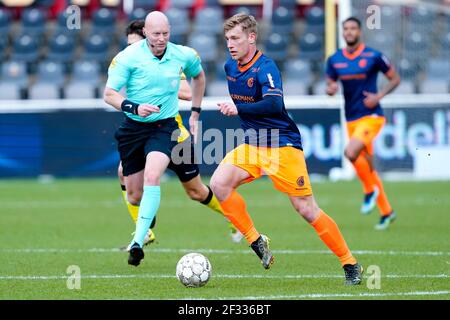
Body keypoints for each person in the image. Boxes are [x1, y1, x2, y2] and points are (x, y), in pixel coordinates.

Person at [210, 13, 363, 285]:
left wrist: (238, 108)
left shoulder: (266, 67)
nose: (230, 44)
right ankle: (256, 241)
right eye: (227, 39)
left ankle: (350, 263)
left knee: (306, 209)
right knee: (219, 184)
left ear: (251, 38)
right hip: (253, 144)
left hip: (282, 144)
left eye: (235, 38)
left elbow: (273, 105)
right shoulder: (230, 68)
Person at [116, 20, 243, 250]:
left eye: (132, 44)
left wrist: (162, 89)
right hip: (144, 133)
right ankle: (144, 231)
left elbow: (186, 90)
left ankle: (233, 216)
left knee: (196, 191)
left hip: (174, 136)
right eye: (127, 45)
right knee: (125, 174)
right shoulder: (131, 61)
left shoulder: (168, 62)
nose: (129, 49)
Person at [104, 11, 212, 267]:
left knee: (154, 175)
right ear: (146, 33)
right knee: (133, 196)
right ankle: (145, 221)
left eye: (165, 33)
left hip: (164, 127)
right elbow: (109, 94)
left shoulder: (183, 54)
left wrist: (195, 111)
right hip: (134, 128)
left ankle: (138, 243)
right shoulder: (127, 58)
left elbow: (199, 76)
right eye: (156, 34)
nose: (161, 38)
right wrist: (134, 107)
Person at [325, 17, 401, 230]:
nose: (349, 32)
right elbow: (330, 85)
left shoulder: (374, 56)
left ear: (359, 32)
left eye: (353, 28)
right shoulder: (335, 60)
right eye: (346, 29)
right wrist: (330, 90)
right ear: (342, 33)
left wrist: (379, 96)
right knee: (368, 166)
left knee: (350, 153)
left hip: (372, 116)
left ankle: (369, 191)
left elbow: (395, 79)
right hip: (351, 119)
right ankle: (387, 212)